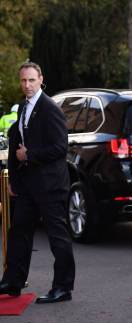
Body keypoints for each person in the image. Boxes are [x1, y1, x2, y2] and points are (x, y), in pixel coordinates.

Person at [0, 62, 76, 303]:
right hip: (27, 185)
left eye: (31, 80)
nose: (27, 85)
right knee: (18, 232)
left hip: (51, 186)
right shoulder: (23, 106)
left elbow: (60, 148)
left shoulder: (50, 108)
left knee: (57, 236)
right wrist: (13, 176)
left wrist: (30, 155)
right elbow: (15, 144)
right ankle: (13, 281)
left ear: (41, 79)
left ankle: (63, 287)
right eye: (23, 80)